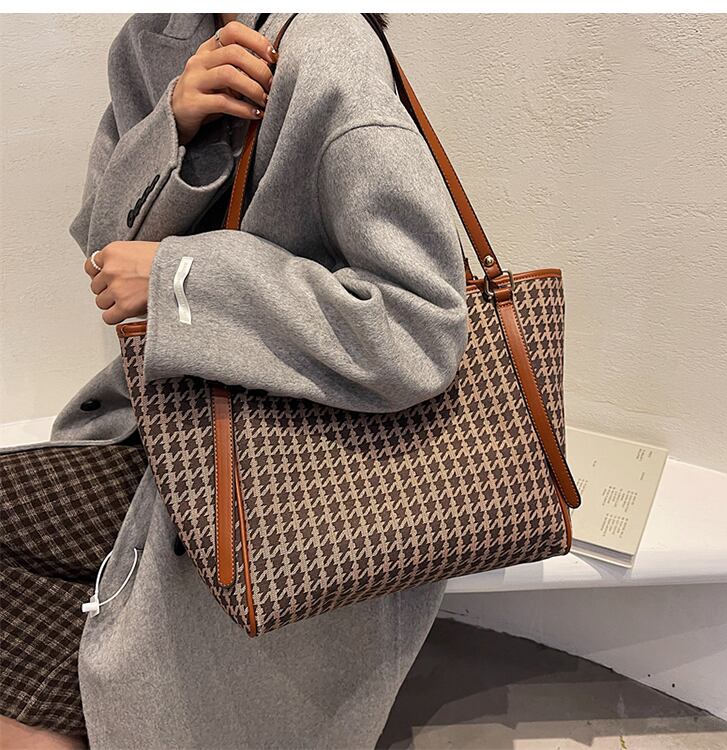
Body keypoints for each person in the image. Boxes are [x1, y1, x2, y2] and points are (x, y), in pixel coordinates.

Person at [0, 12, 469, 749]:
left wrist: (183, 280)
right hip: (169, 435)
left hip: (297, 476)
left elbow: (420, 323)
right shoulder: (153, 41)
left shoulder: (328, 48)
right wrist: (173, 128)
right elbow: (107, 254)